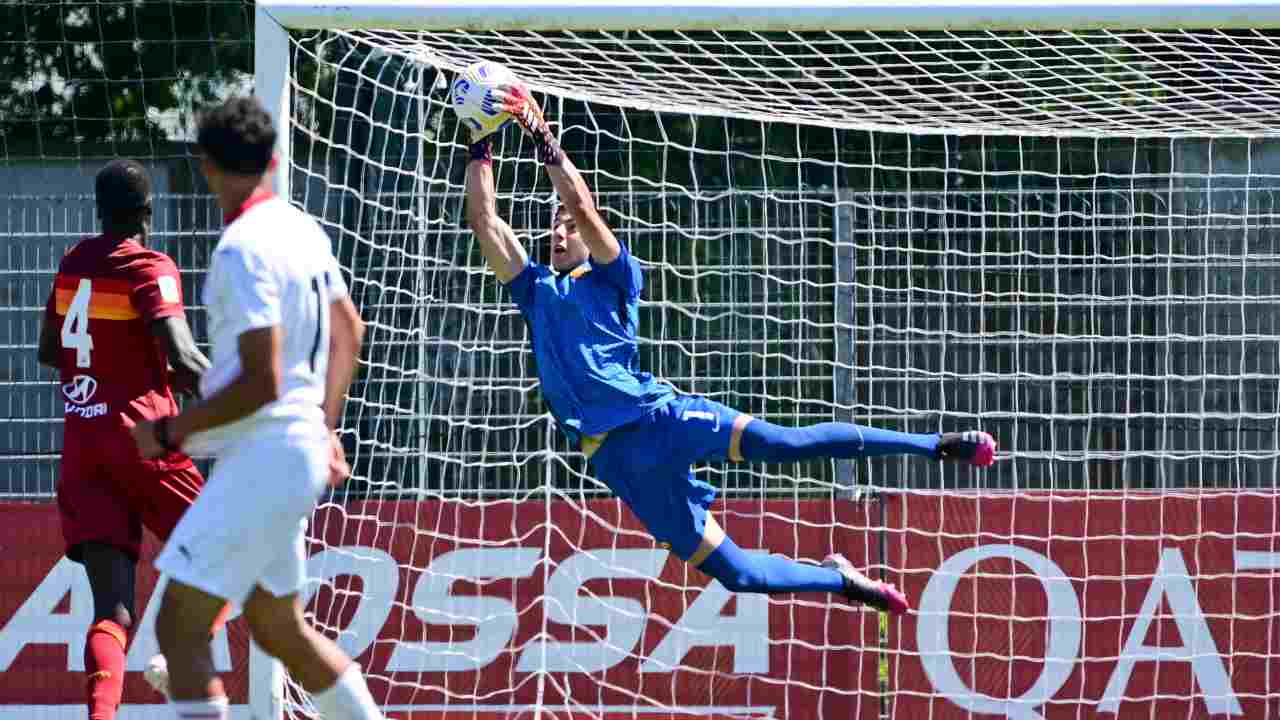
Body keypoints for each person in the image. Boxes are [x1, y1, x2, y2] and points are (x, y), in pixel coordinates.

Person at [464, 84, 1001, 615]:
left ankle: (933, 445)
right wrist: (478, 142)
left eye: (567, 227)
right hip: (617, 460)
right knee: (739, 575)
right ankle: (841, 581)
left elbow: (580, 204)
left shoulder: (615, 276)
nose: (559, 232)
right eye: (552, 228)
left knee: (784, 444)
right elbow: (485, 221)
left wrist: (541, 134)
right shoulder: (534, 291)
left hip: (660, 419)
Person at [124, 96, 380, 720]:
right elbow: (350, 329)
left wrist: (169, 430)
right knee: (276, 628)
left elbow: (261, 381)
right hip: (296, 455)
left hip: (264, 458)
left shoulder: (241, 249)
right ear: (271, 159)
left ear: (207, 165)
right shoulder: (302, 229)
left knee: (180, 630)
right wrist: (326, 426)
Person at [37, 159, 216, 719]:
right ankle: (180, 651)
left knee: (112, 611)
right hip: (143, 439)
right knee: (234, 544)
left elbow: (48, 352)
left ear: (98, 209)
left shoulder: (73, 264)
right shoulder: (149, 265)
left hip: (84, 449)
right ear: (148, 211)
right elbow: (183, 355)